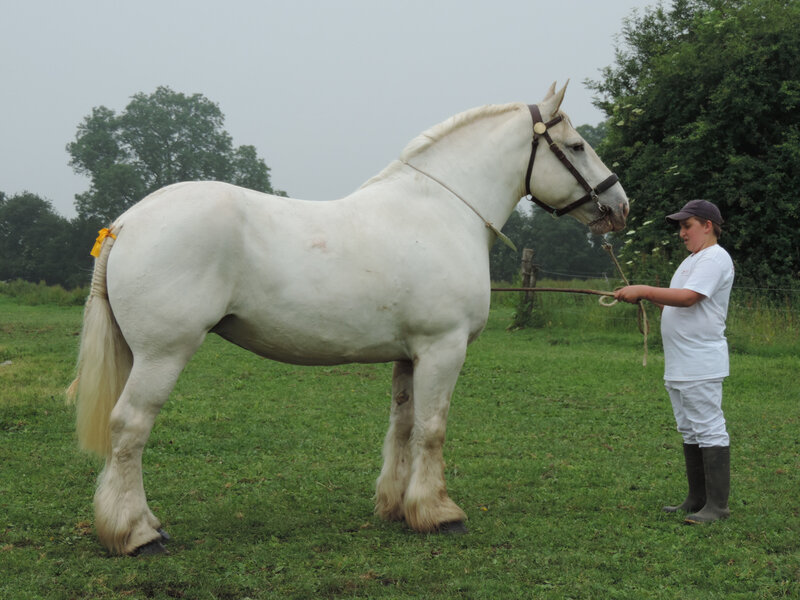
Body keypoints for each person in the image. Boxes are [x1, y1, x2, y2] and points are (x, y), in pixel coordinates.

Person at [614, 199, 734, 524]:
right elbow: (675, 305)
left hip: (700, 361)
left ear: (708, 225)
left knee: (708, 427)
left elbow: (688, 298)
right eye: (681, 226)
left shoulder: (714, 258)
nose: (681, 233)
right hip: (681, 364)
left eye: (687, 225)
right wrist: (643, 297)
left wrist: (644, 289)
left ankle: (717, 507)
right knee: (690, 429)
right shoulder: (690, 262)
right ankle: (697, 499)